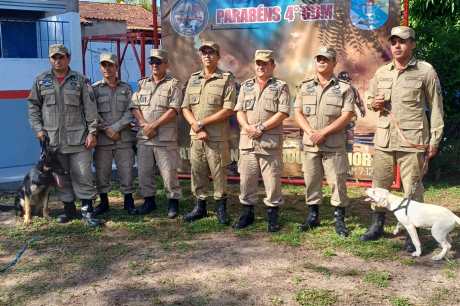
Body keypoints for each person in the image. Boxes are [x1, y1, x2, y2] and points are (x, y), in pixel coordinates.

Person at [360, 26, 444, 250]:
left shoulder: (425, 71)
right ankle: (377, 226)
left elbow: (436, 108)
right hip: (385, 139)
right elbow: (370, 98)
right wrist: (373, 103)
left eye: (403, 41)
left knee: (412, 189)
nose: (397, 46)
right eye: (394, 41)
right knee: (379, 185)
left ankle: (412, 233)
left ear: (413, 44)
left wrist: (434, 140)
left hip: (413, 140)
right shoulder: (382, 72)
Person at [28, 44, 102, 227]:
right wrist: (38, 129)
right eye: (54, 57)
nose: (58, 61)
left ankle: (87, 211)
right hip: (53, 142)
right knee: (61, 178)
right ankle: (69, 209)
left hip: (79, 140)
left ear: (68, 58)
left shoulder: (80, 80)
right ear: (50, 60)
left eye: (61, 57)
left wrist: (93, 132)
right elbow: (33, 107)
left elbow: (90, 109)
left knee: (83, 174)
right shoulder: (41, 80)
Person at [294, 47, 356, 237]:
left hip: (333, 144)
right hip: (311, 142)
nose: (322, 62)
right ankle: (313, 217)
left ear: (334, 63)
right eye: (319, 58)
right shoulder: (305, 87)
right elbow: (298, 112)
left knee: (337, 181)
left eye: (326, 59)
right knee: (311, 180)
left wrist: (324, 132)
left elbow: (347, 115)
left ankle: (339, 219)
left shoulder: (344, 88)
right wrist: (310, 131)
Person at [233, 50, 290, 232]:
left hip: (269, 143)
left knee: (272, 181)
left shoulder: (281, 86)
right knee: (247, 180)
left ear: (272, 65)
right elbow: (239, 110)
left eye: (265, 63)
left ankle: (272, 216)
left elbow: (283, 112)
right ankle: (247, 213)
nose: (261, 66)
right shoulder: (246, 86)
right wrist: (247, 127)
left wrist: (262, 128)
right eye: (258, 63)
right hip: (248, 141)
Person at [181, 41, 237, 224]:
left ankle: (221, 208)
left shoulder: (226, 79)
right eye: (204, 52)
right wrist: (195, 126)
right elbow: (185, 107)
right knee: (197, 171)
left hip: (217, 137)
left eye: (211, 52)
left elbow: (229, 109)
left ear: (218, 56)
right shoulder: (194, 79)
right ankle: (200, 206)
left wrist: (201, 123)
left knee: (219, 172)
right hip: (196, 136)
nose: (207, 56)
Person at [130, 49, 183, 218]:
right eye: (152, 62)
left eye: (158, 62)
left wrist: (154, 125)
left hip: (165, 139)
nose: (154, 65)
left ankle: (173, 202)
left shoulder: (174, 84)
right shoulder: (142, 84)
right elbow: (134, 106)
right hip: (145, 138)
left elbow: (174, 109)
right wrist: (144, 124)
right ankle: (149, 201)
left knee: (169, 173)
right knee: (144, 172)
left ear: (166, 64)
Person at [92, 53, 136, 215]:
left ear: (116, 67)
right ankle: (104, 202)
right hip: (103, 139)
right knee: (102, 171)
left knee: (127, 170)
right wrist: (107, 129)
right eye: (104, 65)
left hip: (123, 138)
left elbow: (131, 110)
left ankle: (128, 201)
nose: (107, 69)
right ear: (100, 68)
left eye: (110, 65)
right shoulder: (95, 89)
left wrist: (116, 128)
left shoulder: (126, 88)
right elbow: (92, 112)